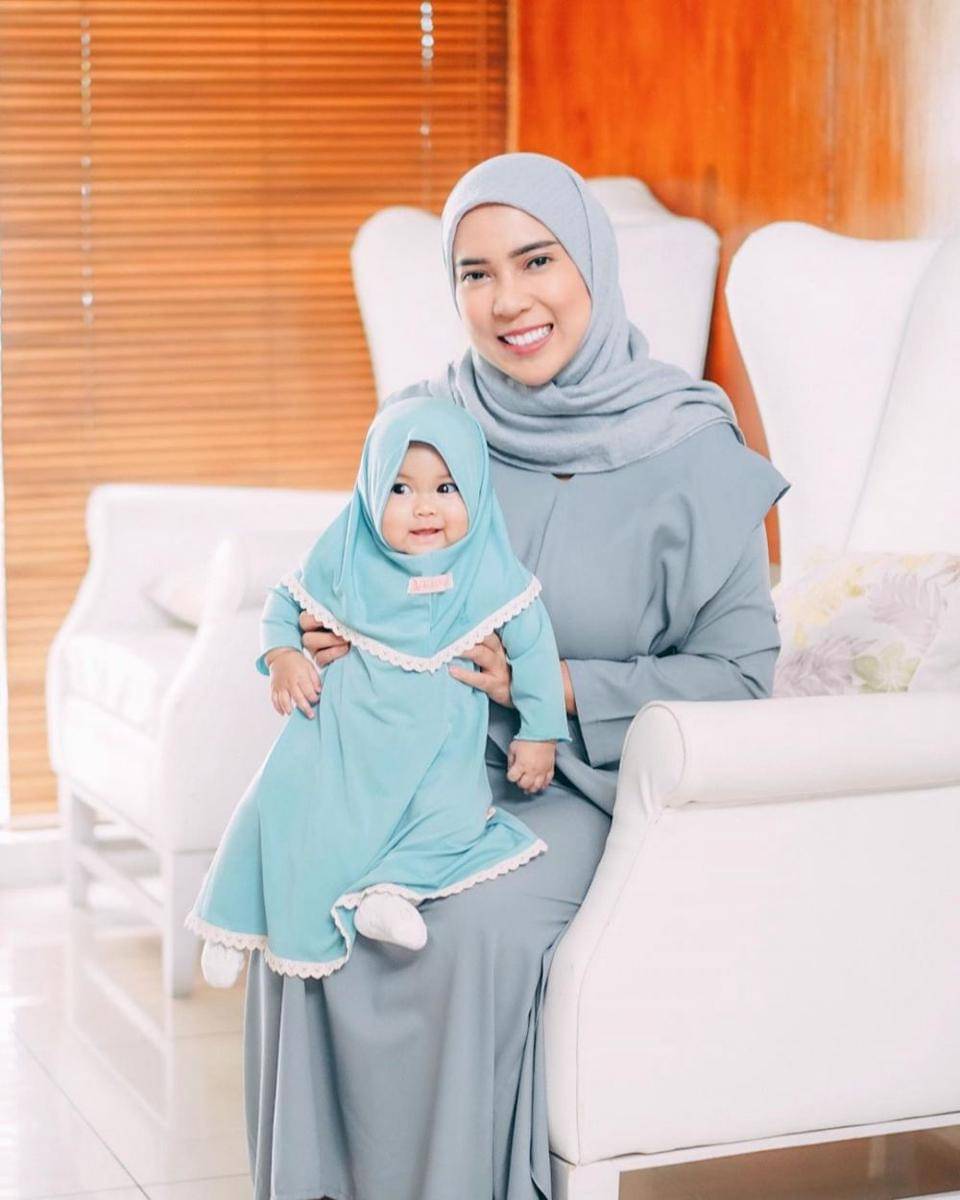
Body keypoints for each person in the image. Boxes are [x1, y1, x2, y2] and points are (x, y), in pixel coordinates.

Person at [243, 152, 790, 1200]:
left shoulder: (690, 444)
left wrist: (556, 686)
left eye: (536, 260)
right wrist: (330, 632)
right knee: (302, 890)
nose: (507, 301)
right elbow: (357, 568)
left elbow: (739, 679)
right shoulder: (425, 419)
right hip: (405, 764)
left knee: (455, 932)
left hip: (575, 786)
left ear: (591, 261)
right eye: (475, 273)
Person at [186, 397, 569, 986]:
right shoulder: (348, 556)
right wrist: (284, 655)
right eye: (399, 488)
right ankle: (230, 921)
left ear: (475, 490)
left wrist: (539, 734)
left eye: (446, 488)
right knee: (281, 797)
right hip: (343, 737)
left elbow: (535, 650)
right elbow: (282, 602)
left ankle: (388, 895)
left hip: (439, 752)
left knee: (452, 820)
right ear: (369, 492)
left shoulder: (490, 573)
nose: (424, 507)